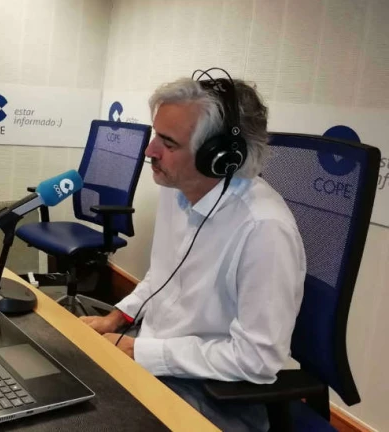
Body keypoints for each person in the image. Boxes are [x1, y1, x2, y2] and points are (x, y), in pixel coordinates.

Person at [80, 70, 306, 431]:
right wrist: (117, 317)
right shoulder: (178, 189)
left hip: (215, 392)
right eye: (156, 134)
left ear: (220, 157)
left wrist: (141, 351)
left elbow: (258, 360)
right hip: (155, 356)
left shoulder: (263, 230)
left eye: (168, 144)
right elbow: (162, 276)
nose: (149, 151)